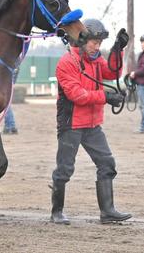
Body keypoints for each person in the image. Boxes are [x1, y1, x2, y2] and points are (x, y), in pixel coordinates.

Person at [50, 18, 132, 225]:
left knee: (107, 164)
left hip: (92, 125)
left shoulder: (95, 59)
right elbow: (77, 95)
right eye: (94, 42)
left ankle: (107, 211)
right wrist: (106, 97)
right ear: (81, 40)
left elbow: (112, 72)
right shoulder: (66, 63)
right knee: (65, 169)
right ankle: (56, 212)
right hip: (72, 124)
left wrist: (117, 50)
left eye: (100, 43)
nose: (97, 47)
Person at [129, 34, 144, 133]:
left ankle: (143, 127)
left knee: (143, 106)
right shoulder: (141, 55)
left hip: (142, 84)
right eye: (142, 42)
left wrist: (135, 73)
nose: (142, 44)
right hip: (140, 84)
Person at [3, 68, 19, 134]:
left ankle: (9, 126)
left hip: (8, 69)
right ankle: (11, 126)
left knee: (6, 101)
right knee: (6, 101)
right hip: (13, 69)